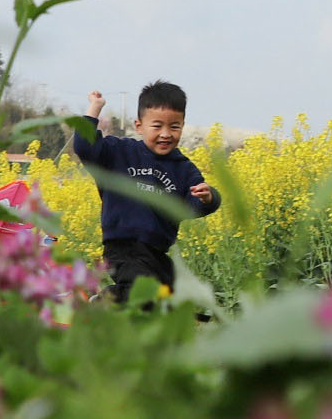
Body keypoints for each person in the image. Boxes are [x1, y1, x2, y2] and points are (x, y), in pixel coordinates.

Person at [66, 81, 220, 301]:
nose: (166, 134)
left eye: (174, 126)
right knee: (141, 293)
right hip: (123, 245)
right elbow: (84, 147)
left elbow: (189, 206)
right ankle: (101, 304)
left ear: (182, 126)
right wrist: (94, 109)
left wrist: (208, 198)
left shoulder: (183, 168)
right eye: (157, 126)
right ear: (139, 126)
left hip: (157, 251)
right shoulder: (119, 152)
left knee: (166, 297)